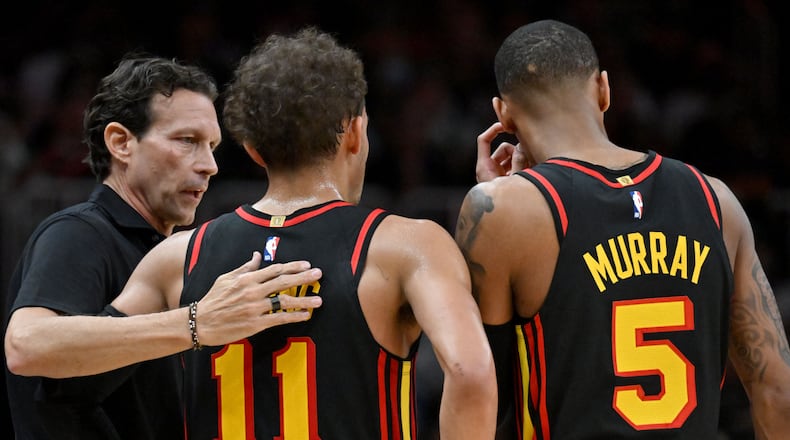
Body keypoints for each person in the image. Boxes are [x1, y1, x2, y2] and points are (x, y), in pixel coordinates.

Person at [105, 27, 497, 439]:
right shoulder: (405, 245)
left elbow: (70, 364)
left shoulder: (179, 256)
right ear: (355, 131)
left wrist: (190, 323)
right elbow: (470, 372)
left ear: (253, 149)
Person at [455, 19, 790, 439]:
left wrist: (501, 196)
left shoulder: (499, 210)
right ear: (603, 90)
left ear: (502, 114)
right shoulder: (716, 200)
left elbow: (475, 385)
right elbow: (777, 392)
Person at [3, 54, 323, 439]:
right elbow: (26, 345)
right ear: (121, 142)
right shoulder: (79, 233)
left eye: (212, 146)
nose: (209, 165)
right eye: (187, 141)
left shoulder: (171, 250)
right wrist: (195, 323)